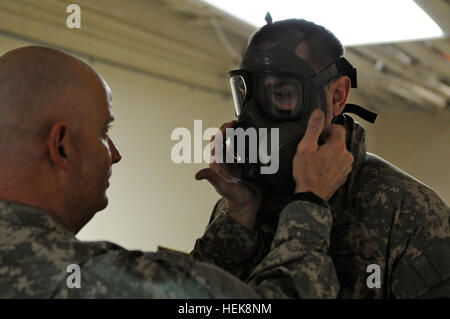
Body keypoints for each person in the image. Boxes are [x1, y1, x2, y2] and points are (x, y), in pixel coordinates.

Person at [0, 46, 353, 298]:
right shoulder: (93, 280)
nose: (116, 154)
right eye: (104, 132)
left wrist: (238, 218)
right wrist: (309, 200)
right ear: (61, 145)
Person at [192, 18, 450, 298]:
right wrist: (235, 220)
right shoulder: (238, 206)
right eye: (247, 97)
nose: (253, 117)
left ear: (337, 96)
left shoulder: (407, 211)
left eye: (280, 93)